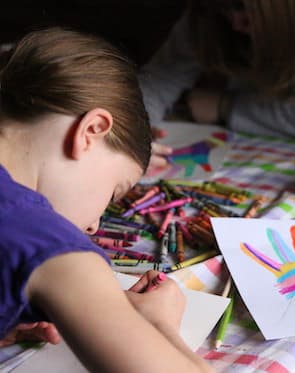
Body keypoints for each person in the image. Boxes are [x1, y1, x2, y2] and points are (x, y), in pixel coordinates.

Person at [0, 28, 211, 372]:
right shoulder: (48, 244)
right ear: (92, 130)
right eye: (115, 191)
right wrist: (157, 325)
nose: (94, 225)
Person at [140, 0, 295, 168]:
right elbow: (160, 79)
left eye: (244, 8)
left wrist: (224, 107)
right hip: (235, 146)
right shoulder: (212, 16)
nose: (236, 24)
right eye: (225, 10)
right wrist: (133, 132)